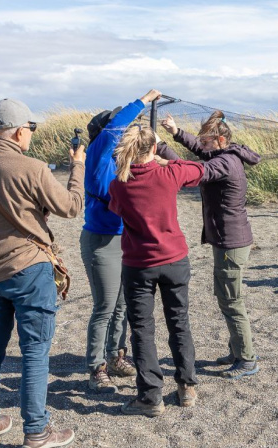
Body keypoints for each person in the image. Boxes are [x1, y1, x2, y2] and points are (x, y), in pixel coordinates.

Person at [0, 98, 84, 447]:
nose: (30, 135)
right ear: (18, 131)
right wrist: (77, 167)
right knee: (35, 352)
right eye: (30, 128)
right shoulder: (33, 167)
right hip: (29, 270)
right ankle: (37, 431)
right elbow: (71, 207)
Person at [81, 89, 181, 395]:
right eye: (120, 130)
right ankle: (96, 367)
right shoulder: (98, 155)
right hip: (101, 240)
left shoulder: (121, 161)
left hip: (126, 238)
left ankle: (115, 355)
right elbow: (114, 129)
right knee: (105, 306)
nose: (125, 132)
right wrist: (143, 100)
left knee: (123, 305)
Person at [108, 124, 205, 417]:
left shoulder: (119, 184)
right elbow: (197, 169)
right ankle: (186, 386)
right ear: (152, 148)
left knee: (142, 330)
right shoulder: (169, 174)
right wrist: (165, 153)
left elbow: (115, 210)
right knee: (179, 322)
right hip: (174, 258)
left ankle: (151, 397)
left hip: (138, 263)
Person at [161, 111, 262, 379]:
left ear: (219, 139)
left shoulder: (225, 163)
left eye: (206, 143)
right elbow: (201, 154)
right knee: (228, 297)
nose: (202, 147)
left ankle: (247, 359)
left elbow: (194, 173)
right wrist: (175, 132)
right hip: (229, 240)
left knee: (231, 301)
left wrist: (164, 152)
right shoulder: (226, 153)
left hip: (231, 242)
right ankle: (238, 349)